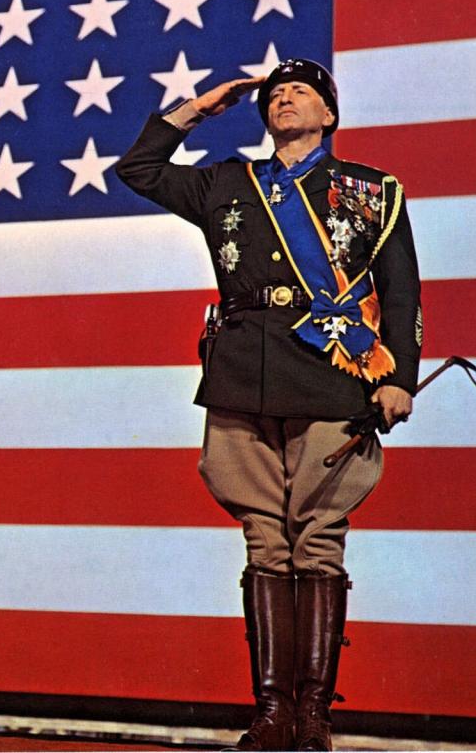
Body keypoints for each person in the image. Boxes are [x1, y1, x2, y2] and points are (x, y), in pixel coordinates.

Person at [115, 59, 422, 751]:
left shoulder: (370, 191)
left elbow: (400, 290)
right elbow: (138, 169)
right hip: (241, 375)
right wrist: (197, 108)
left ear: (330, 115)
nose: (284, 98)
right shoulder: (228, 181)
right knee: (263, 537)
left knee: (315, 539)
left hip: (331, 374)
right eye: (276, 93)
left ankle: (314, 716)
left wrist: (398, 375)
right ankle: (272, 713)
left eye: (301, 92)